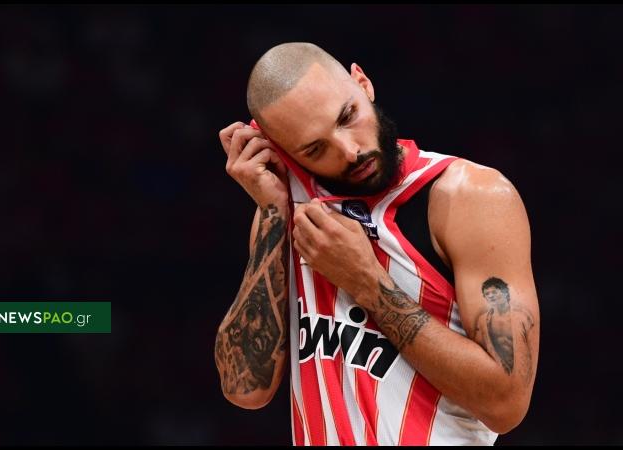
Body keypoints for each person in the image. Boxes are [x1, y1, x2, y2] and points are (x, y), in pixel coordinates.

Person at [214, 42, 540, 446]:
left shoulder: (470, 196)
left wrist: (367, 281)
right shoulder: (287, 212)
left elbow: (506, 404)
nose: (350, 150)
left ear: (363, 83)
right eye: (315, 148)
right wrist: (271, 214)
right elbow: (245, 389)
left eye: (347, 116)